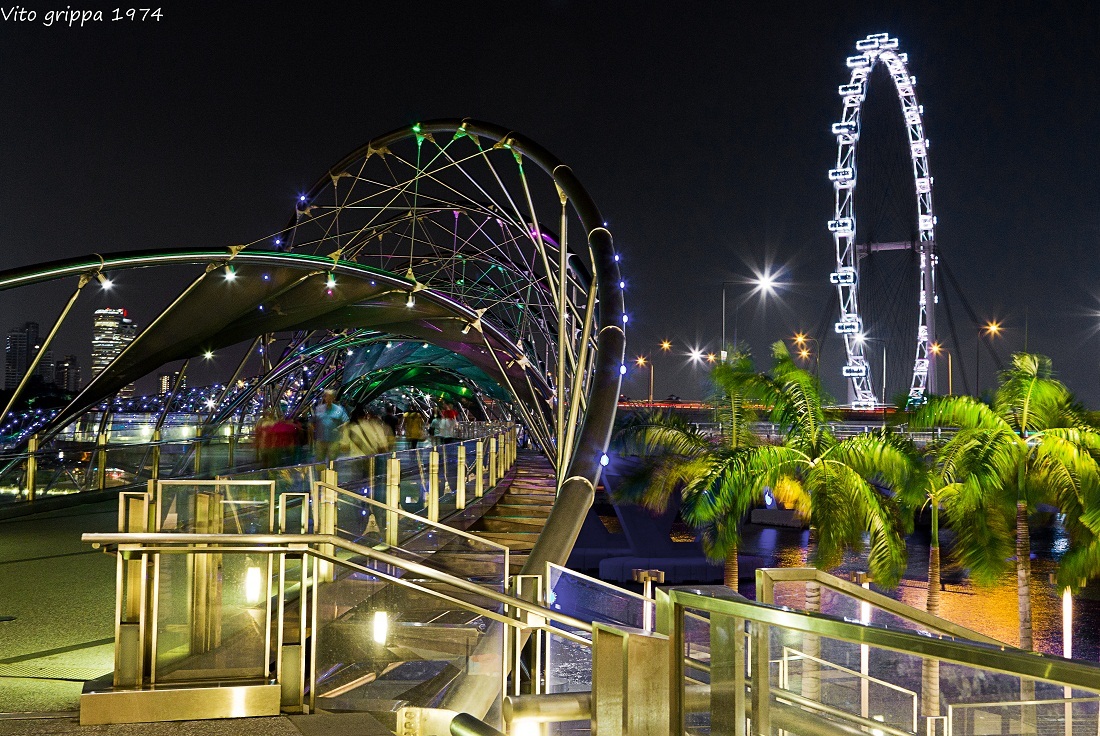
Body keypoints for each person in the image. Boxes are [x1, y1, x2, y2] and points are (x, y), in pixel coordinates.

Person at [312, 389, 349, 463]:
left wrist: (340, 428)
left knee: (332, 461)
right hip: (320, 440)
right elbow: (313, 421)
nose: (328, 398)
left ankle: (332, 474)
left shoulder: (339, 409)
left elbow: (346, 421)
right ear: (324, 397)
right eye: (326, 396)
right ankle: (321, 474)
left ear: (333, 398)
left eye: (330, 396)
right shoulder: (319, 409)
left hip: (334, 440)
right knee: (319, 461)